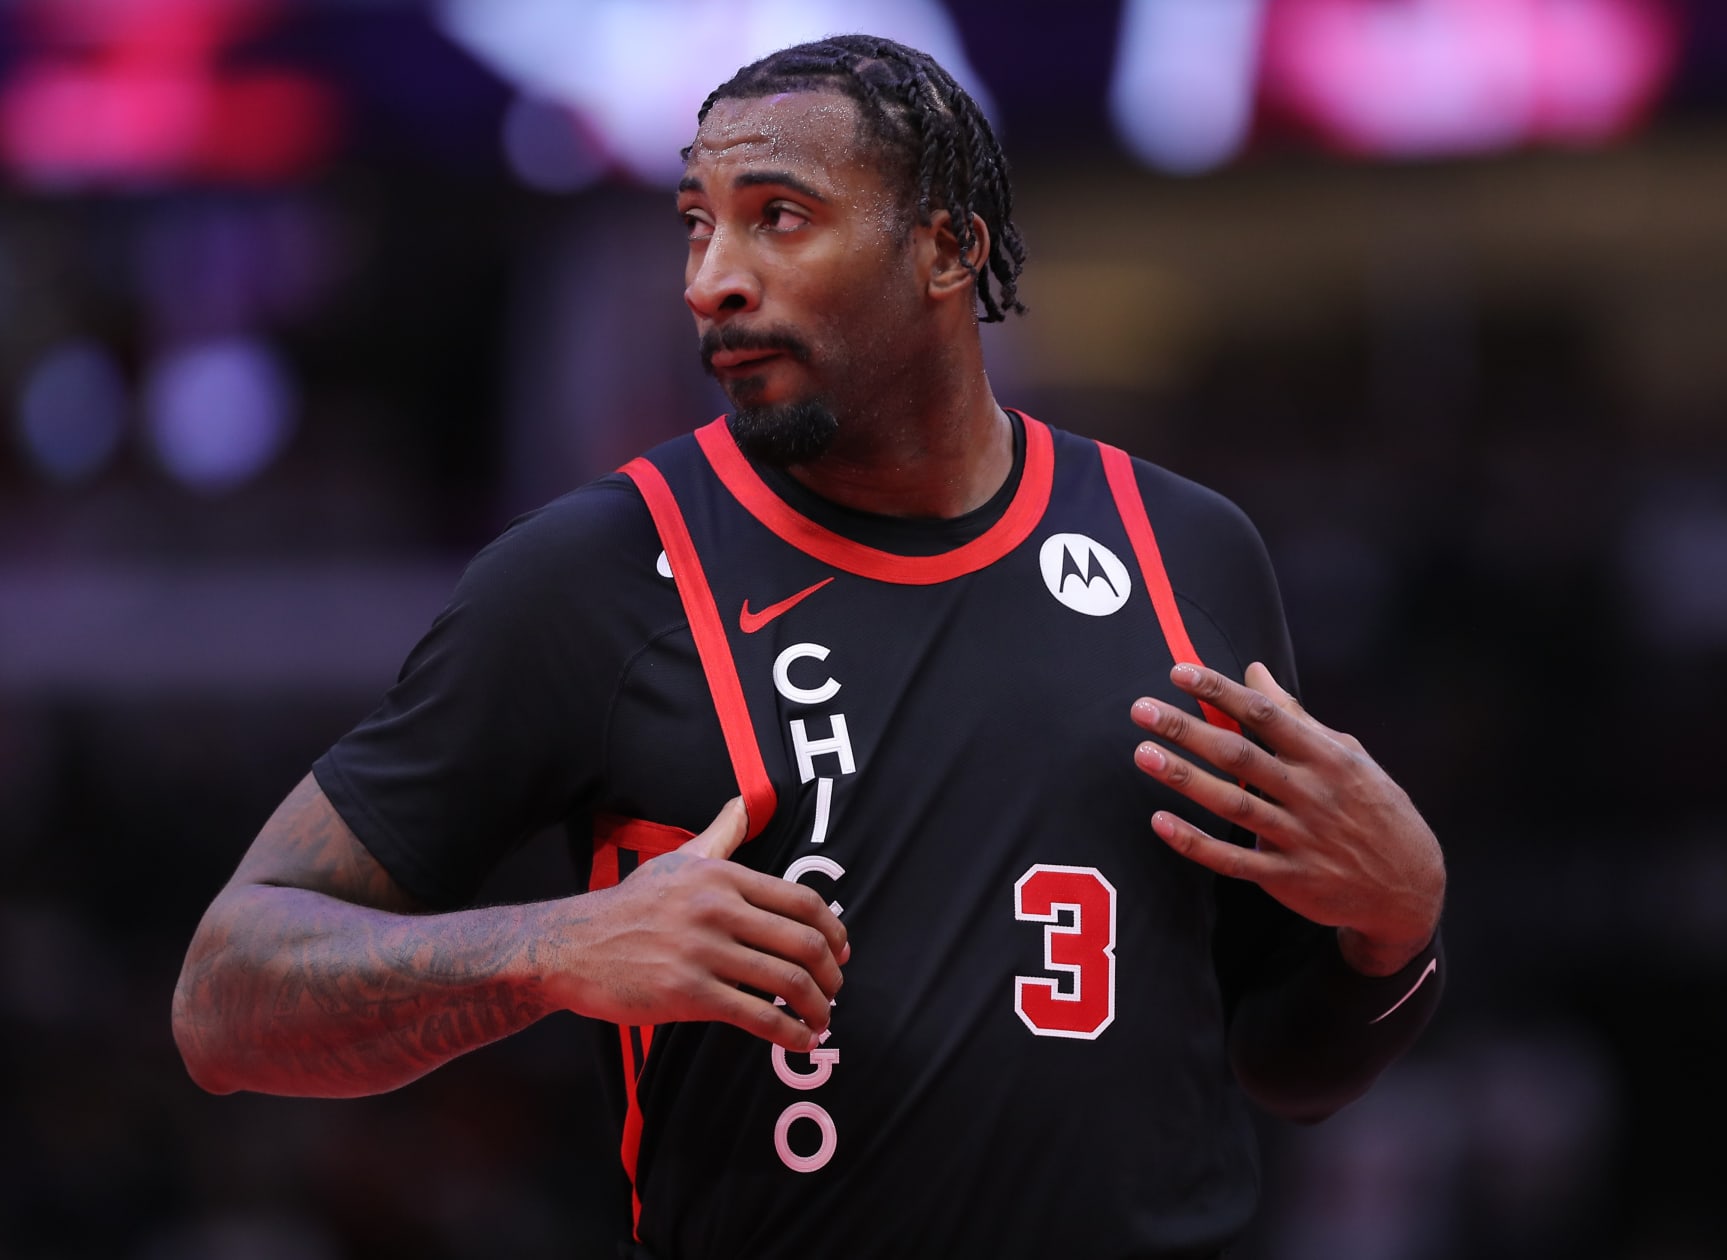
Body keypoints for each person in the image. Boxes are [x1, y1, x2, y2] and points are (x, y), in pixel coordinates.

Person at [174, 34, 1446, 1260]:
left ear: (948, 250)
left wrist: (1395, 930)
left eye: (776, 216)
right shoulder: (596, 576)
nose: (710, 279)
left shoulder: (1191, 554)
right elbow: (227, 1000)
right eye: (697, 222)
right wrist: (557, 952)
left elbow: (1284, 1065)